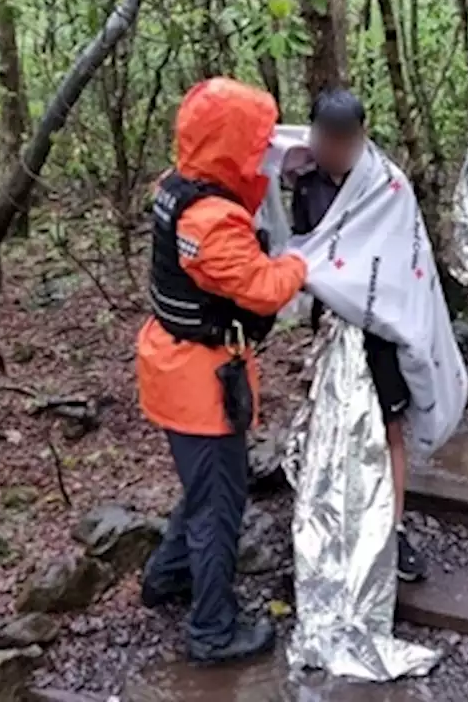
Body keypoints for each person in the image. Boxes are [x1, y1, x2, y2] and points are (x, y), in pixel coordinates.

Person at [138, 78, 308, 665]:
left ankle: (167, 575)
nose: (262, 151)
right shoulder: (211, 220)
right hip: (201, 384)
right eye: (255, 140)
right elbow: (264, 291)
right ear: (231, 142)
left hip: (175, 364)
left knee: (205, 488)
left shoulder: (176, 189)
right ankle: (212, 629)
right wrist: (298, 260)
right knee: (219, 507)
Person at [290, 87, 427, 583]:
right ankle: (335, 525)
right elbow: (309, 250)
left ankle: (393, 530)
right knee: (333, 423)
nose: (337, 149)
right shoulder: (305, 183)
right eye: (328, 139)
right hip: (330, 326)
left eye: (346, 140)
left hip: (379, 328)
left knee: (389, 426)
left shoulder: (386, 186)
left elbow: (405, 257)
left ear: (362, 138)